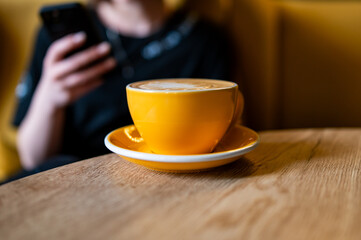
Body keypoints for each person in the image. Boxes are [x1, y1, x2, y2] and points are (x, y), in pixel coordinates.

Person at [10, 0, 231, 179]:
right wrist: (49, 100)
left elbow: (222, 141)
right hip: (70, 180)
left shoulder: (205, 41)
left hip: (165, 181)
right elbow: (33, 159)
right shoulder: (62, 38)